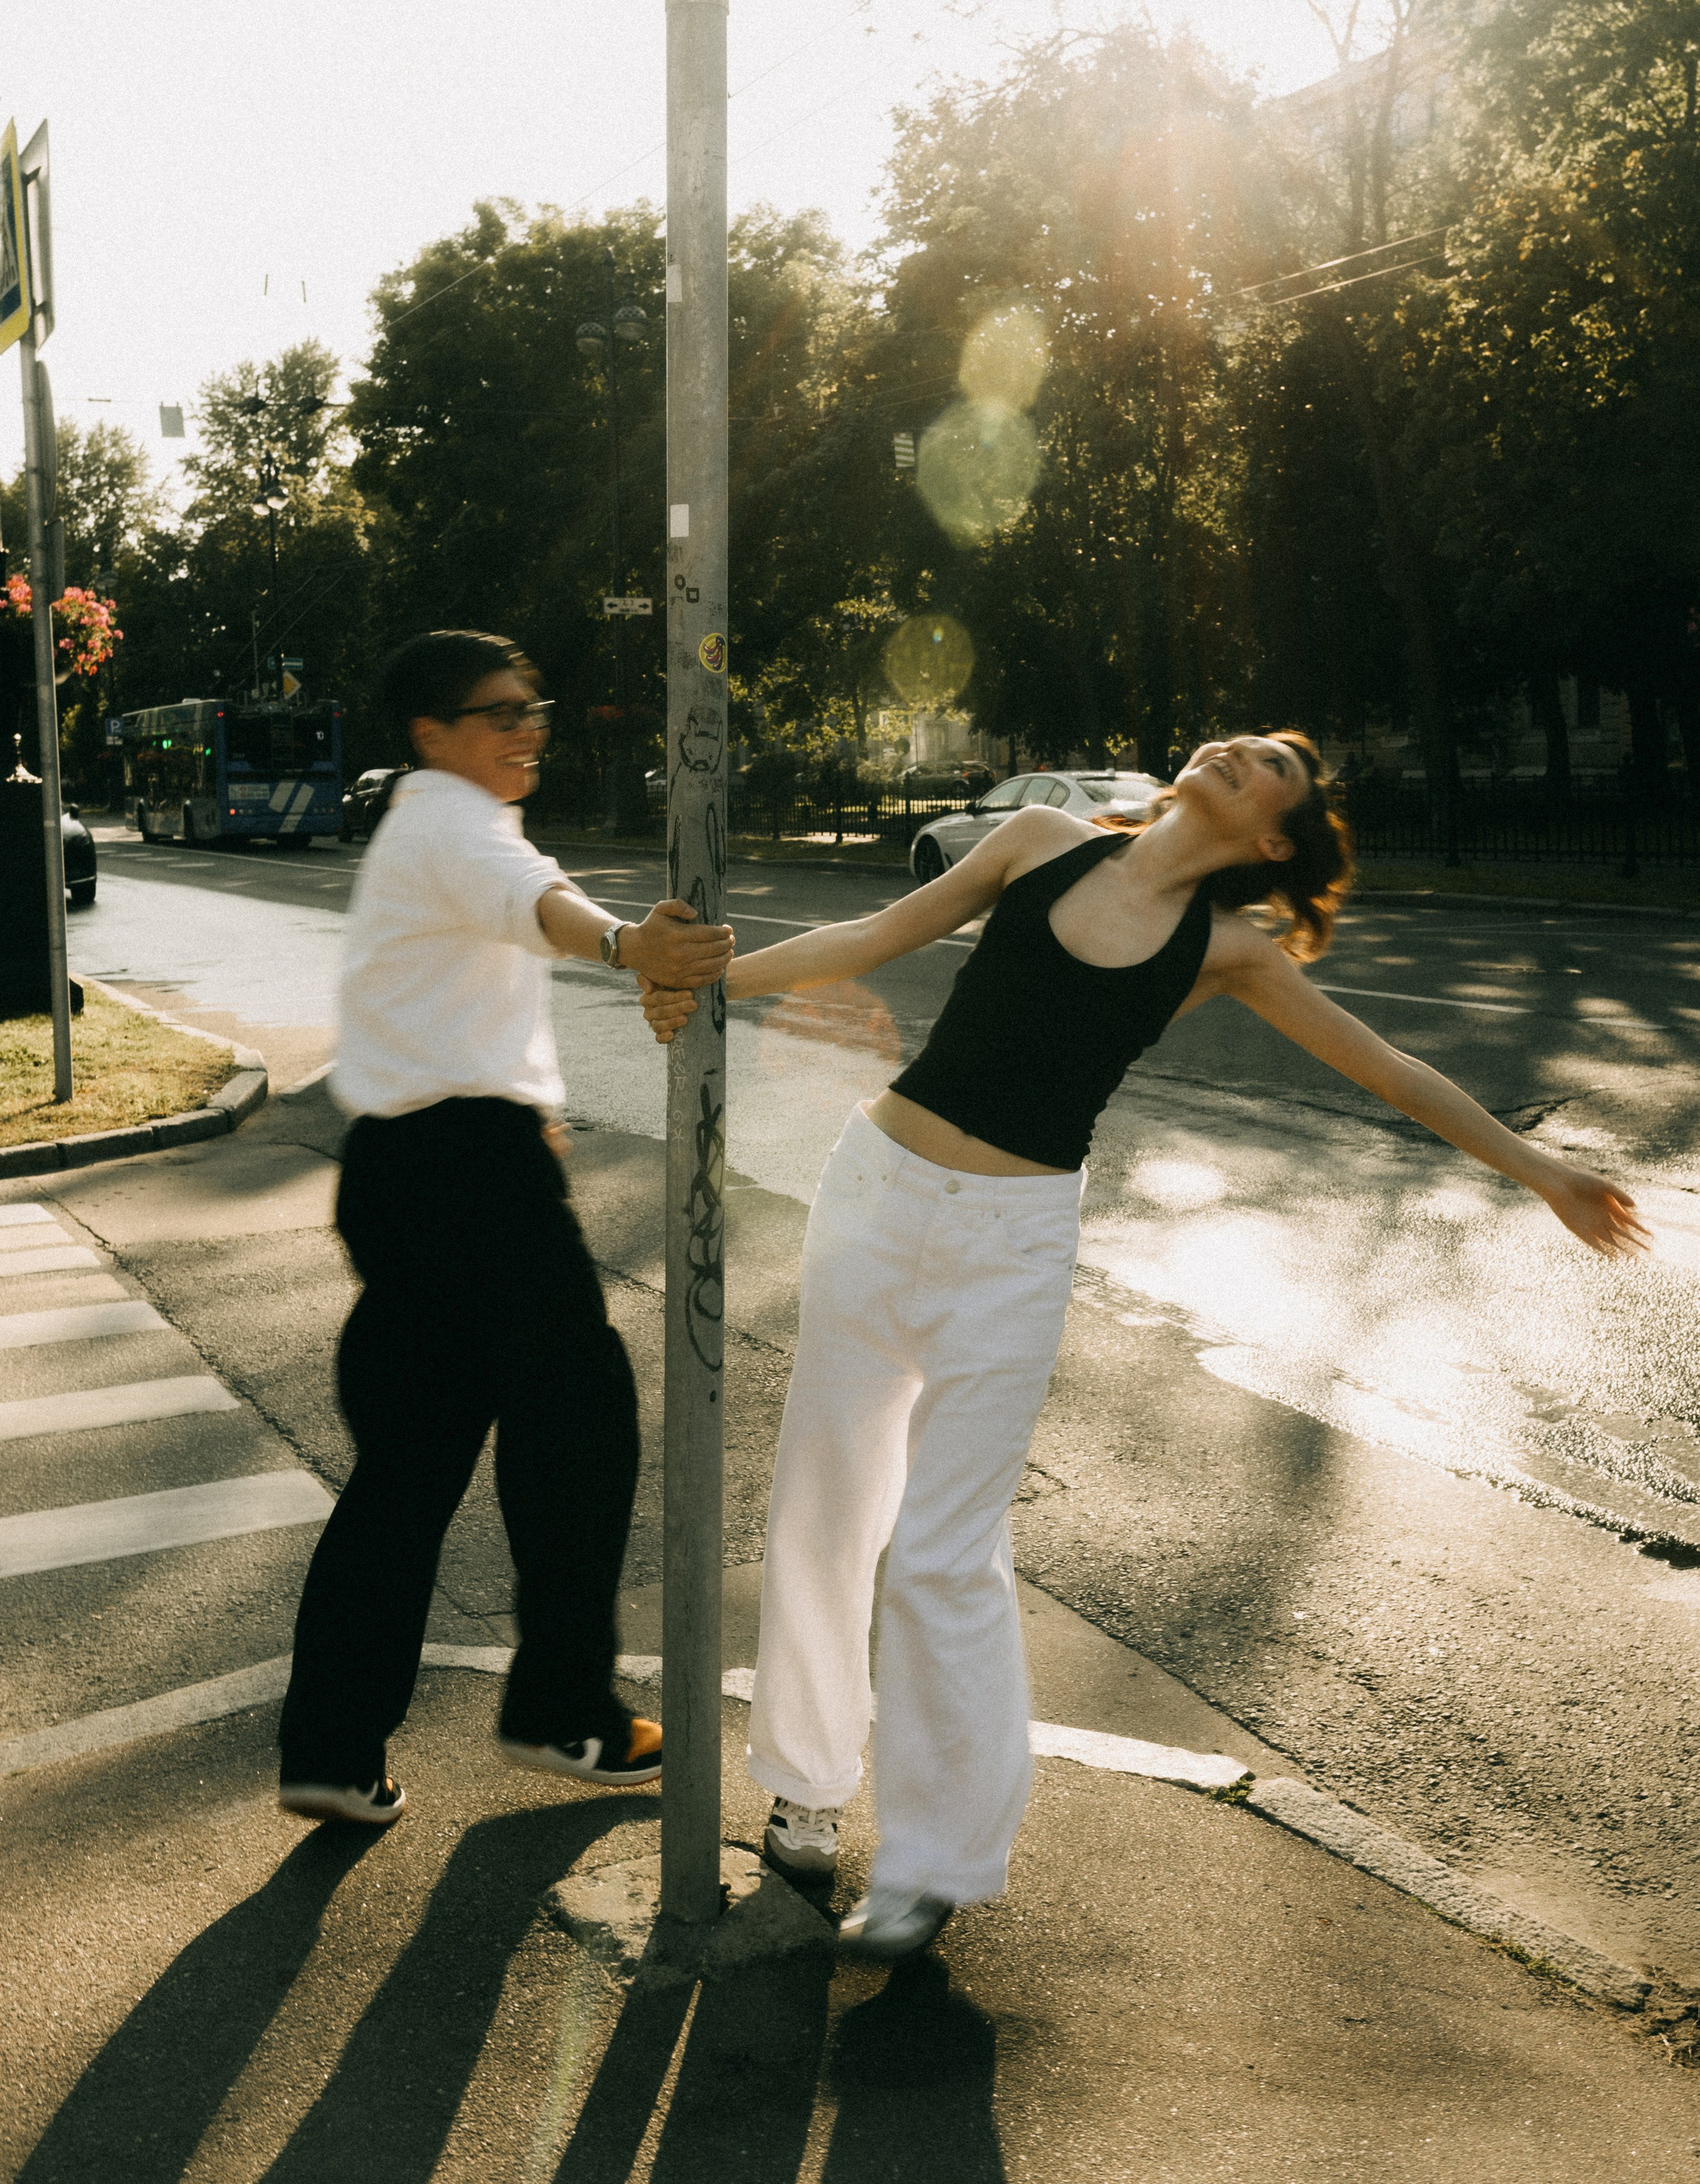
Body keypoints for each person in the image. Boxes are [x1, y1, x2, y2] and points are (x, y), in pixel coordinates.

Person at [639, 730, 1646, 1959]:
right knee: (823, 1500)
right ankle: (805, 1787)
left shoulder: (1227, 950)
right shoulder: (1038, 844)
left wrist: (1542, 1170)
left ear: (1274, 837)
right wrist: (705, 984)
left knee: (943, 1554)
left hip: (1013, 1242)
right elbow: (870, 939)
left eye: (1272, 759)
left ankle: (932, 1865)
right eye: (1234, 737)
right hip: (879, 1190)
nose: (1238, 748)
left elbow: (1392, 1072)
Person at [277, 630, 732, 1827]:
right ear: (431, 734)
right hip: (466, 1174)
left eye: (534, 705)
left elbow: (498, 936)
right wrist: (634, 945)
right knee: (582, 1415)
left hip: (397, 1168)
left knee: (410, 1469)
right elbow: (536, 905)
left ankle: (331, 1748)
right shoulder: (451, 820)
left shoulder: (427, 822)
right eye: (498, 713)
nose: (528, 727)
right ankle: (564, 1708)